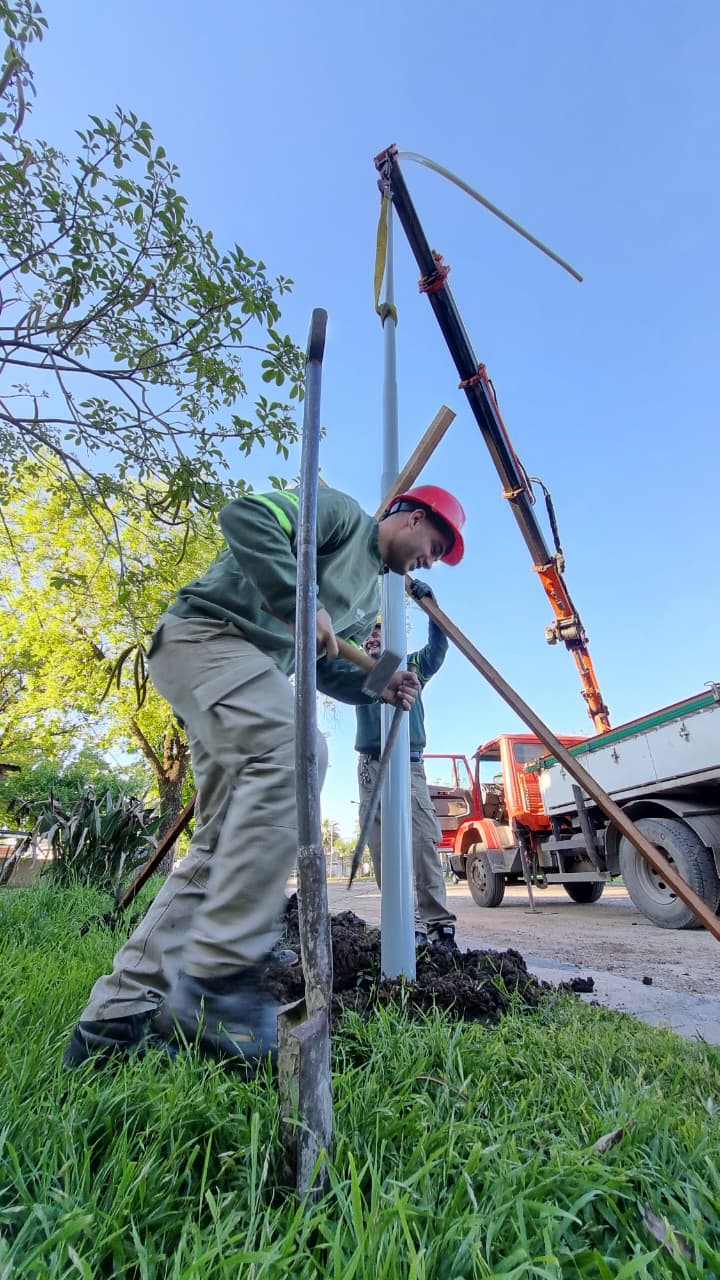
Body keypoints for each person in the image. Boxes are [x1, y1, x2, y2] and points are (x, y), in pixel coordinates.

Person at [64, 482, 466, 1069]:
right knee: (299, 753)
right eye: (436, 544)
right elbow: (247, 516)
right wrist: (302, 599)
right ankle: (219, 980)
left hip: (242, 669)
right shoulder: (344, 518)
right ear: (409, 517)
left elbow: (330, 667)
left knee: (220, 846)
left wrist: (385, 683)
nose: (431, 560)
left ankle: (113, 1018)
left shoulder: (366, 601)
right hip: (206, 636)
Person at [355, 579, 457, 950]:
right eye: (367, 636)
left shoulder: (410, 665)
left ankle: (438, 926)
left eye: (378, 632)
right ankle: (404, 922)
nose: (371, 639)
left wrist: (430, 604)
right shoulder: (359, 669)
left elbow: (438, 648)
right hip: (371, 767)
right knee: (381, 846)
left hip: (408, 763)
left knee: (421, 843)